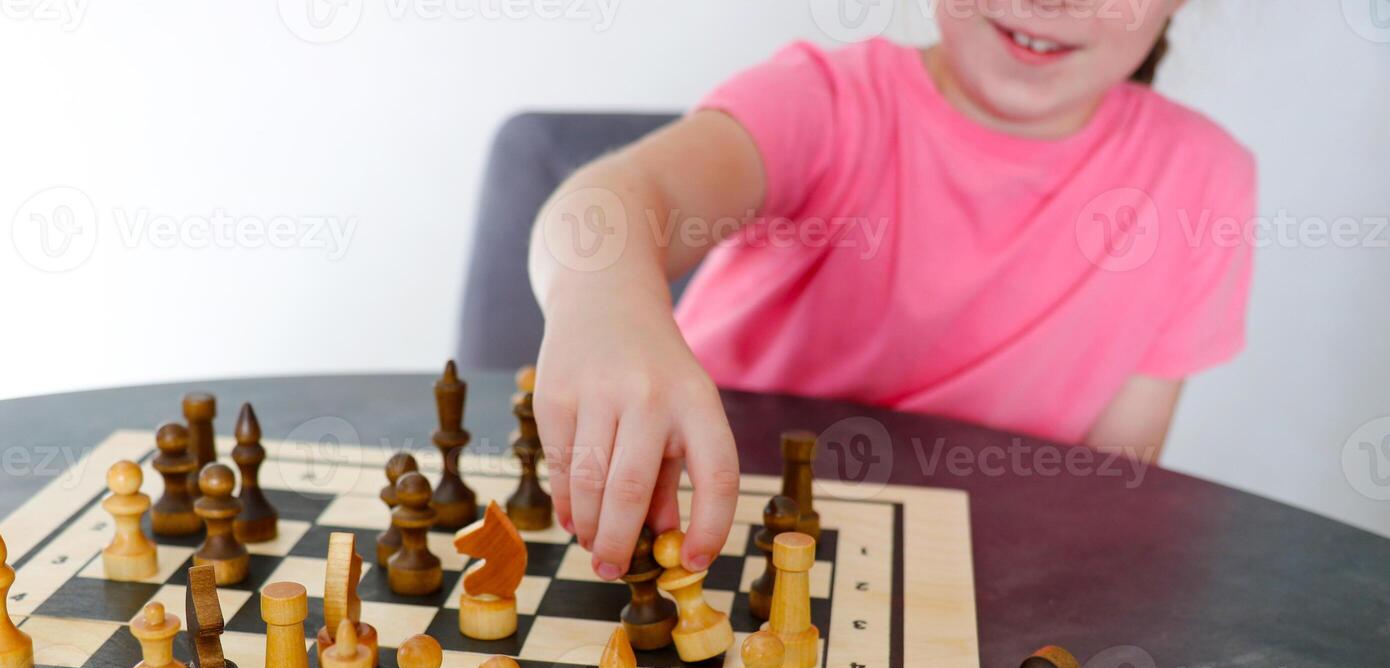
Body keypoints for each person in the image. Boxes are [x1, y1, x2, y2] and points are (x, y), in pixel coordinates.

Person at [528, 1, 1256, 582]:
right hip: (701, 538)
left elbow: (1105, 489)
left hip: (971, 594)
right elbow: (611, 204)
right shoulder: (825, 102)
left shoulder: (1204, 180)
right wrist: (602, 304)